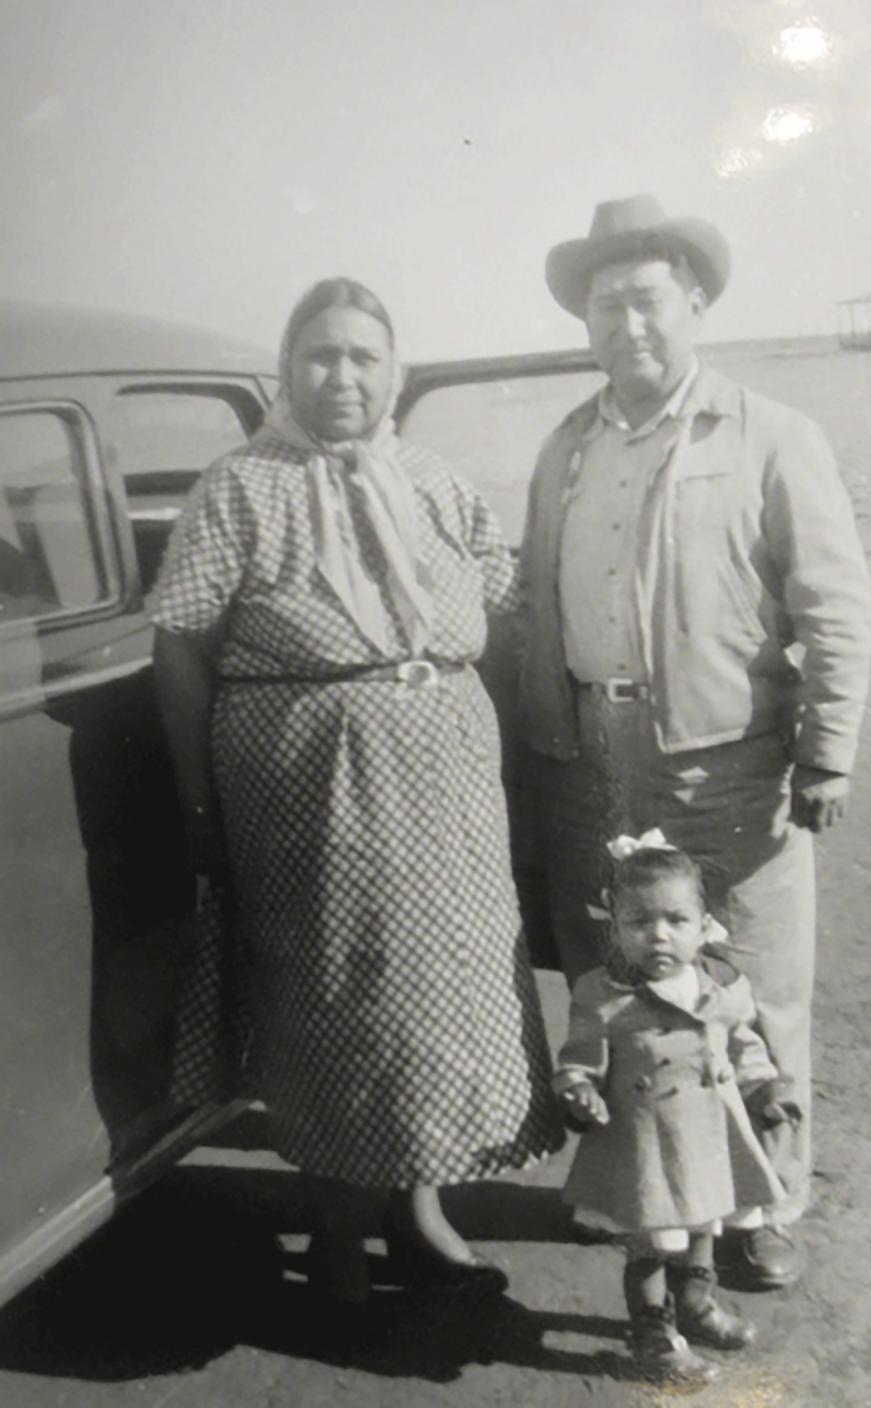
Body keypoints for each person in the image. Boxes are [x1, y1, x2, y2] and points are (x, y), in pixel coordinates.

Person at [150, 277, 563, 1307]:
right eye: (322, 355)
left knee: (439, 1000)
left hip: (447, 786)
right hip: (312, 787)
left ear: (396, 371)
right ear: (289, 367)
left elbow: (502, 598)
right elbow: (182, 649)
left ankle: (420, 1215)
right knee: (339, 999)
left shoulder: (433, 478)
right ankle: (336, 1239)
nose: (343, 375)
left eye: (364, 357)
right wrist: (200, 810)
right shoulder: (239, 484)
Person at [518, 194, 871, 1288]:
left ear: (697, 303)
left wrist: (828, 749)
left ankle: (768, 1202)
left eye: (646, 299)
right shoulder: (565, 445)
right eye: (604, 303)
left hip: (727, 754)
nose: (625, 322)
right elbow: (535, 594)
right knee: (617, 978)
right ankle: (641, 1193)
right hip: (589, 747)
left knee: (751, 984)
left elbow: (836, 602)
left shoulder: (771, 433)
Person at [554, 831, 798, 1384]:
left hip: (712, 1133)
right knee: (651, 1242)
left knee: (705, 1221)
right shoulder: (606, 995)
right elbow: (579, 1059)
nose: (658, 936)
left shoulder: (723, 986)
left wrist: (767, 1093)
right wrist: (580, 1090)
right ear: (615, 925)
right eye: (639, 922)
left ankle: (695, 1304)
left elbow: (746, 1048)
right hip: (645, 1143)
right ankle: (651, 1335)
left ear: (703, 923)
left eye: (676, 921)